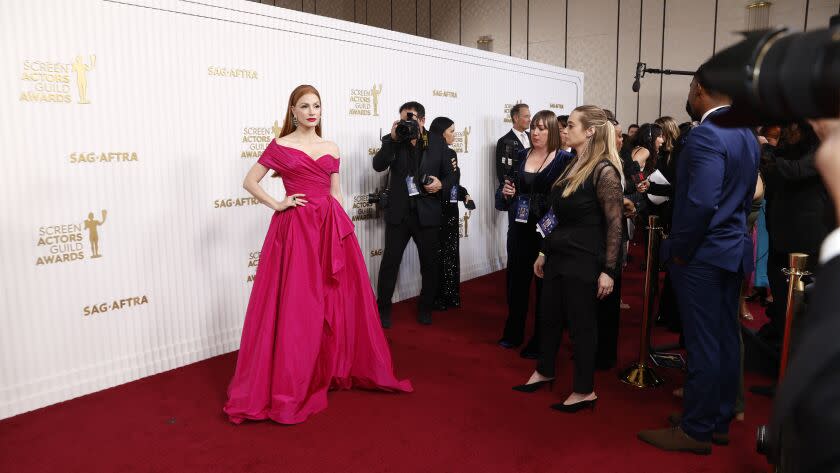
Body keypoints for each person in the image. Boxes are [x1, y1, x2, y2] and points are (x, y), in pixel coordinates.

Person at [223, 85, 412, 425]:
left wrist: (344, 230)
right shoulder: (280, 146)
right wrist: (279, 203)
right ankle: (294, 377)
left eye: (317, 106)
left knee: (335, 299)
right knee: (299, 304)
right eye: (305, 106)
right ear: (292, 111)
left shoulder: (331, 146)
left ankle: (333, 366)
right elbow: (250, 181)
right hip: (296, 230)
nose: (312, 112)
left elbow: (336, 191)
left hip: (329, 227)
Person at [637, 67, 759, 454]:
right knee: (723, 338)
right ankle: (717, 419)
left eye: (690, 88)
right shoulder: (746, 132)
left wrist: (680, 248)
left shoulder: (706, 133)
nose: (688, 96)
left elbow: (702, 202)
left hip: (704, 254)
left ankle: (696, 429)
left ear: (701, 90)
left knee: (704, 344)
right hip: (732, 250)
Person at [513, 106, 623, 413]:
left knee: (581, 325)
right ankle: (544, 370)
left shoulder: (604, 170)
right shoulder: (571, 164)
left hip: (585, 258)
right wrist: (544, 250)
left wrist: (609, 271)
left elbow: (615, 225)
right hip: (558, 253)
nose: (565, 129)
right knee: (548, 317)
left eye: (571, 125)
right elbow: (555, 214)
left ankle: (585, 390)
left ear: (589, 131)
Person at [373, 102, 459, 327]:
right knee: (390, 263)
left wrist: (441, 184)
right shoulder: (394, 139)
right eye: (403, 119)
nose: (406, 124)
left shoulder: (438, 142)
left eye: (410, 119)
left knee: (429, 264)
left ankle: (425, 307)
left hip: (427, 212)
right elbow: (378, 165)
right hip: (399, 212)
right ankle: (383, 309)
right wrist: (391, 139)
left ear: (422, 120)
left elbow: (451, 177)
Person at [496, 110, 571, 359]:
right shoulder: (520, 154)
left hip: (546, 232)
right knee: (516, 284)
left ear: (552, 131)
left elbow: (562, 203)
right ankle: (513, 331)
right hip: (519, 229)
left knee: (544, 289)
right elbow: (506, 191)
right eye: (533, 128)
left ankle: (541, 340)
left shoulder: (563, 160)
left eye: (542, 128)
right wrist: (507, 192)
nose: (535, 132)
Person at [431, 116, 474, 310]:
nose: (454, 135)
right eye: (451, 131)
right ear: (441, 133)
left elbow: (452, 183)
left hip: (450, 209)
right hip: (435, 209)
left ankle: (450, 295)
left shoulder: (451, 153)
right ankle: (438, 297)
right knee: (437, 255)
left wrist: (463, 194)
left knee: (450, 253)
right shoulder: (430, 153)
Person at [495, 104, 531, 184]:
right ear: (516, 118)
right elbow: (502, 173)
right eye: (526, 116)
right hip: (516, 191)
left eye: (529, 116)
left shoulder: (533, 137)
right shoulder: (504, 141)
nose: (530, 120)